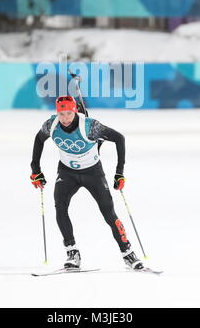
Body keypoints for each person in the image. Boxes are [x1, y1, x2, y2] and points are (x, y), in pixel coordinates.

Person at [30, 95, 143, 271]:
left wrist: (119, 173)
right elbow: (38, 139)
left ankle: (127, 252)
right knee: (60, 207)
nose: (65, 118)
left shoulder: (90, 126)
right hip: (67, 173)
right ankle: (72, 252)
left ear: (75, 111)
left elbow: (119, 138)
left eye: (69, 113)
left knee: (108, 212)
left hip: (93, 173)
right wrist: (35, 169)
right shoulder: (51, 125)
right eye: (61, 114)